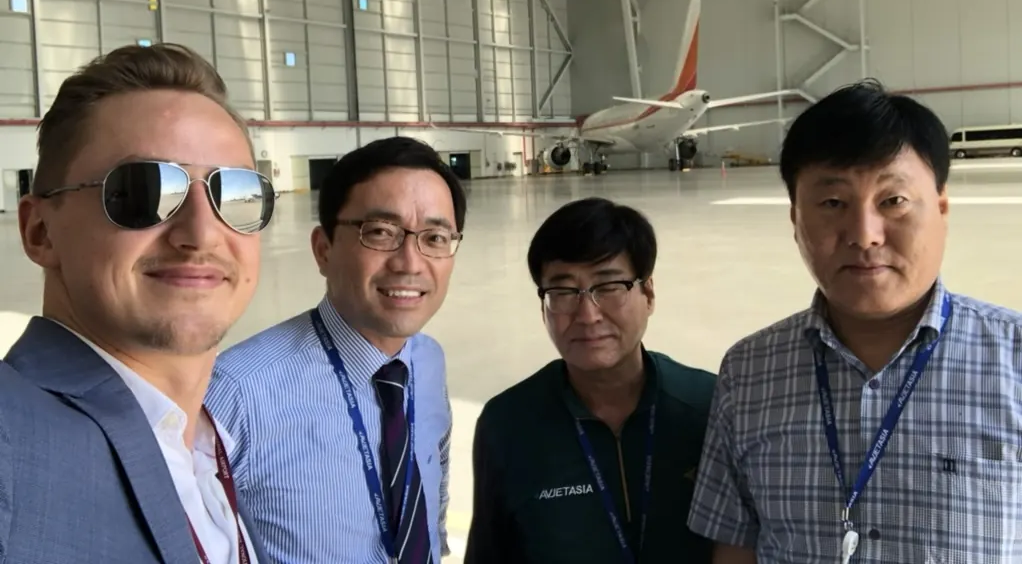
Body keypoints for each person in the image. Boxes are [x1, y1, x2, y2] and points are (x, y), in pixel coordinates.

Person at [687, 79, 1022, 564]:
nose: (864, 235)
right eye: (832, 204)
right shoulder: (749, 373)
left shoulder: (1014, 359)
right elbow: (736, 546)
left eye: (893, 201)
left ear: (942, 209)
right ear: (795, 221)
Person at [1, 43, 276, 563]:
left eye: (235, 193)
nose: (201, 233)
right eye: (143, 190)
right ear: (40, 231)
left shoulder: (202, 446)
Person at [205, 136, 464, 564]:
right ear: (323, 250)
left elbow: (433, 491)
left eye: (435, 237)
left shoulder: (428, 360)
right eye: (381, 232)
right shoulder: (237, 397)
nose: (410, 262)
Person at [465, 197, 717, 564]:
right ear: (543, 307)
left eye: (609, 285)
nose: (587, 314)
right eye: (563, 291)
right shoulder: (508, 424)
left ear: (647, 294)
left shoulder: (710, 406)